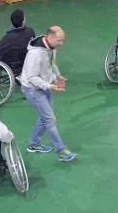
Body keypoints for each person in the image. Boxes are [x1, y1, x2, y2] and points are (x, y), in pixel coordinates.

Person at [20, 26, 76, 162]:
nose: (61, 44)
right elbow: (32, 78)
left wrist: (58, 75)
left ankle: (33, 144)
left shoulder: (51, 47)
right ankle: (62, 150)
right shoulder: (35, 54)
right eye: (59, 40)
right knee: (49, 119)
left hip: (44, 86)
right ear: (50, 37)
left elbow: (52, 63)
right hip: (33, 90)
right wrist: (50, 86)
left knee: (44, 117)